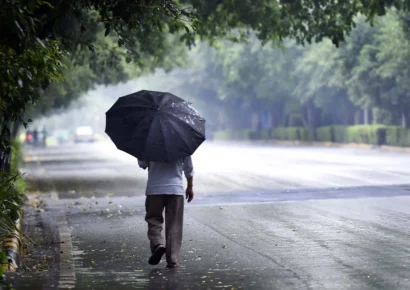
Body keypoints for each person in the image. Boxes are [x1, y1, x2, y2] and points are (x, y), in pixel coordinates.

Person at [138, 156, 194, 269]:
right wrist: (190, 186)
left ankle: (157, 244)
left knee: (153, 220)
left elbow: (142, 164)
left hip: (154, 189)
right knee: (174, 225)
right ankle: (173, 260)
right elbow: (189, 168)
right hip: (175, 190)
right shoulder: (182, 142)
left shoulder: (148, 141)